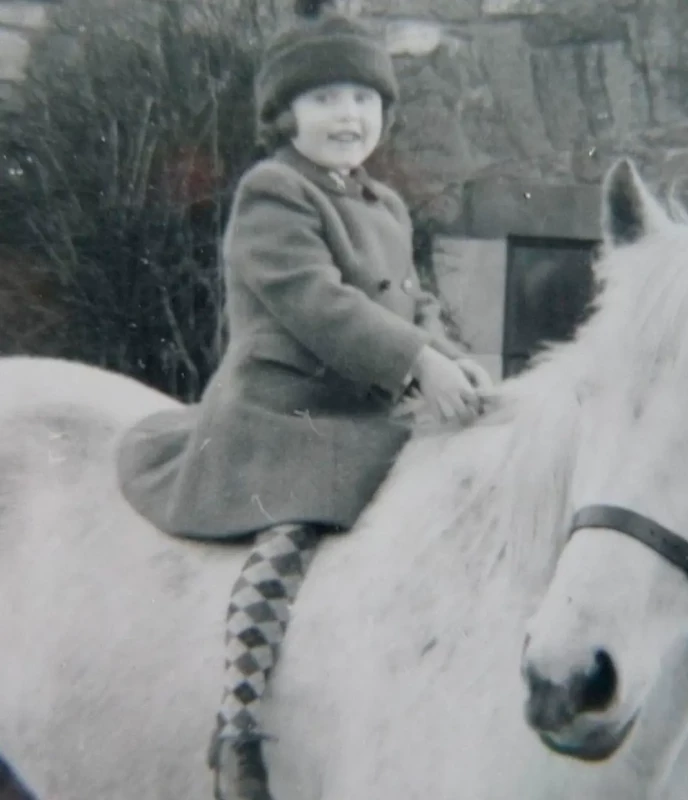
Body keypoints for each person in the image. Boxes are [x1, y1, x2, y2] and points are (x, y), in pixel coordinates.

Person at [116, 10, 493, 800]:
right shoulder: (273, 193)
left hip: (364, 413)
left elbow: (410, 306)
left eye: (362, 98)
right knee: (290, 538)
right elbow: (317, 304)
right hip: (284, 414)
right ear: (285, 114)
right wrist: (417, 363)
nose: (347, 117)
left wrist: (453, 359)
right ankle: (240, 725)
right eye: (323, 99)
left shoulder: (384, 205)